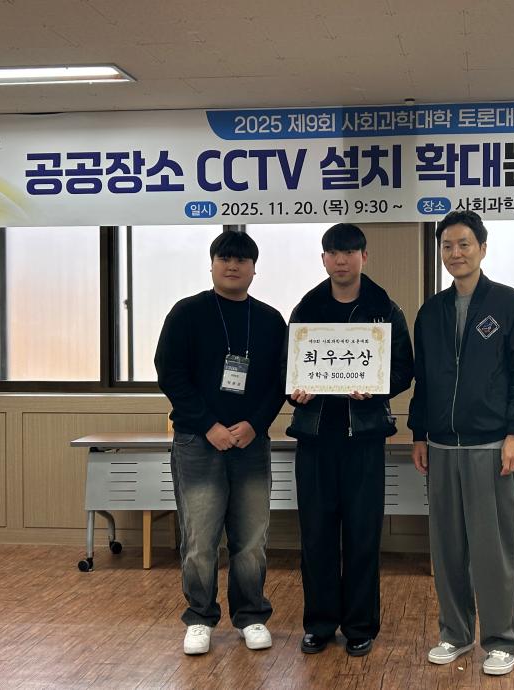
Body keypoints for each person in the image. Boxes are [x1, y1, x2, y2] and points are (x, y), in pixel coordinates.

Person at [408, 210, 514, 676]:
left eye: (464, 244)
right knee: (447, 549)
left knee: (494, 549)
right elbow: (423, 382)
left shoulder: (511, 304)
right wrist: (419, 434)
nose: (455, 253)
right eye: (447, 245)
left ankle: (502, 640)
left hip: (491, 447)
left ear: (483, 249)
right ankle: (455, 633)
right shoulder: (431, 312)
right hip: (441, 447)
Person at [155, 230, 286, 656]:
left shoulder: (269, 320)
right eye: (224, 258)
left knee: (251, 539)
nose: (232, 266)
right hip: (198, 442)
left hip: (251, 444)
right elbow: (170, 374)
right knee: (199, 540)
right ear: (211, 264)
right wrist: (208, 424)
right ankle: (199, 617)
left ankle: (251, 616)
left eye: (241, 260)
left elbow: (279, 382)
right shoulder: (187, 313)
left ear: (254, 269)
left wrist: (255, 424)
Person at [286, 223, 414, 657]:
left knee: (362, 535)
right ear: (324, 259)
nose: (341, 260)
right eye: (333, 253)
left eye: (349, 252)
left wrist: (375, 388)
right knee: (316, 535)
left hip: (364, 439)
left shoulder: (385, 309)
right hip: (315, 437)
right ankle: (319, 624)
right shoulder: (306, 308)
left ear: (364, 256)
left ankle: (360, 625)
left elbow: (404, 368)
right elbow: (289, 367)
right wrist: (295, 392)